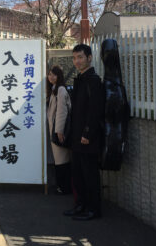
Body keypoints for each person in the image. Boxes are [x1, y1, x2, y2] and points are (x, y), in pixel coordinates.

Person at [63, 44, 104, 220]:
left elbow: (95, 110)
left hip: (88, 138)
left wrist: (87, 133)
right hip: (76, 137)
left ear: (89, 58)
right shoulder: (80, 79)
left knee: (90, 175)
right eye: (74, 58)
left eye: (80, 57)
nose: (77, 61)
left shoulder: (94, 80)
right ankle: (80, 205)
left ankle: (93, 210)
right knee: (78, 174)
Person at [47, 66, 72, 195]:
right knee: (60, 160)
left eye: (54, 75)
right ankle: (62, 186)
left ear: (59, 76)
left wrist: (59, 131)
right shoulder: (54, 89)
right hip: (55, 131)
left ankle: (64, 187)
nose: (51, 77)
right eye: (50, 74)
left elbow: (62, 111)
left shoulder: (60, 90)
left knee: (62, 160)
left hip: (59, 132)